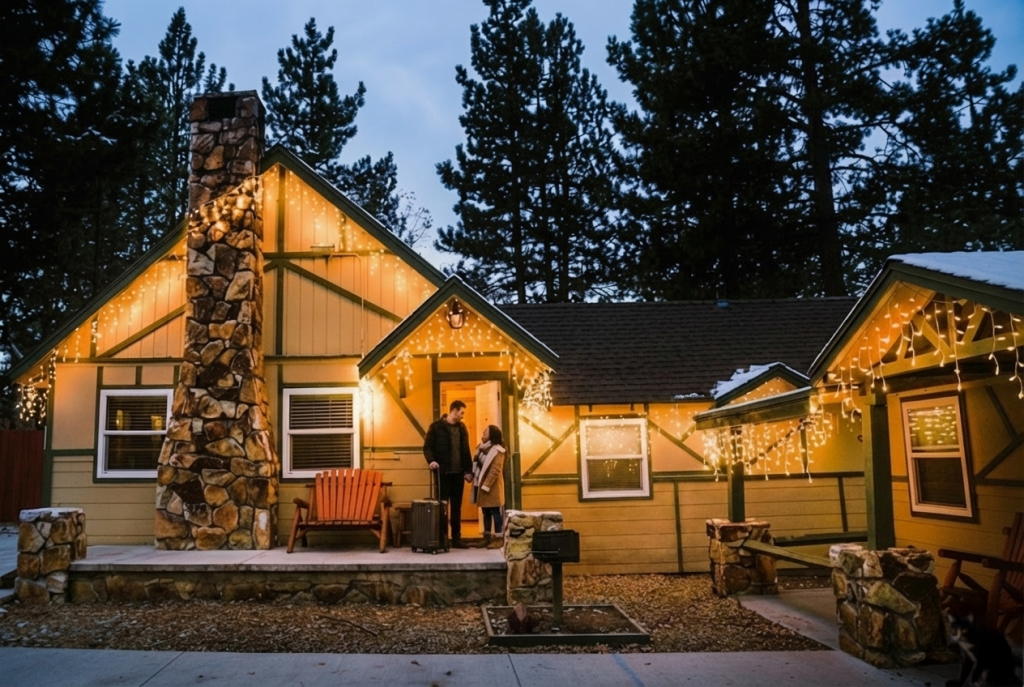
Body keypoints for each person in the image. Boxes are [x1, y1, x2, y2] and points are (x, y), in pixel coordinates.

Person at [423, 399, 473, 548]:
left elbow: (466, 449)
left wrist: (468, 470)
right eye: (462, 412)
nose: (463, 416)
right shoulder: (436, 427)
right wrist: (431, 461)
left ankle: (456, 538)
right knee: (442, 506)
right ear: (454, 411)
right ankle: (442, 538)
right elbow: (427, 447)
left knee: (456, 507)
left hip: (458, 474)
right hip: (443, 473)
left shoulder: (462, 428)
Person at [472, 424, 506, 548]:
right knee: (485, 512)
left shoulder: (498, 450)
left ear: (492, 435)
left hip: (492, 487)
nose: (483, 433)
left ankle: (498, 539)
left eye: (486, 432)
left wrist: (486, 485)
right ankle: (486, 538)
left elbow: (495, 470)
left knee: (495, 512)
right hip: (482, 485)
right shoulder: (481, 448)